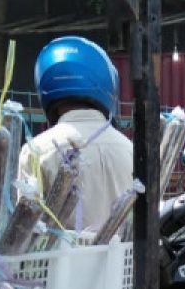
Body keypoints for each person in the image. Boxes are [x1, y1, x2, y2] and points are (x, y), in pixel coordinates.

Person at [18, 35, 133, 232]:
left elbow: (23, 230)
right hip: (125, 263)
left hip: (58, 263)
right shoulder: (130, 151)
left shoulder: (35, 151)